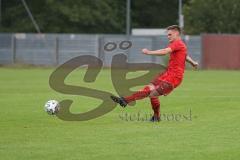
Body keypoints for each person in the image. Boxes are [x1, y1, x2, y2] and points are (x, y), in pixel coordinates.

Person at [110, 25, 198, 122]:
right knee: (149, 88)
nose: (168, 36)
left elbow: (164, 51)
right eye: (167, 35)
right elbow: (184, 55)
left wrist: (149, 52)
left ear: (176, 33)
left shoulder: (177, 43)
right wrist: (193, 62)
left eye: (170, 34)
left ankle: (129, 102)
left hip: (174, 77)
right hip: (167, 74)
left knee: (152, 94)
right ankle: (128, 102)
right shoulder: (179, 45)